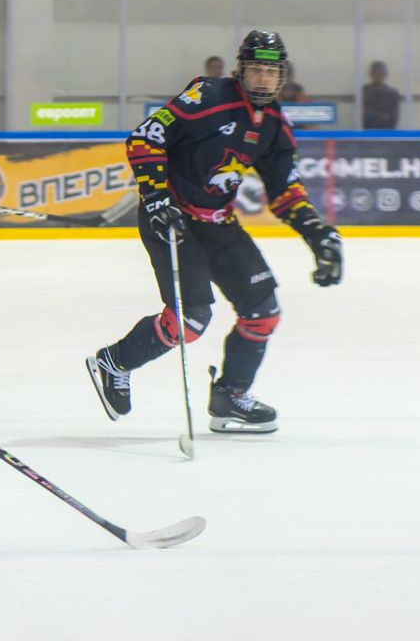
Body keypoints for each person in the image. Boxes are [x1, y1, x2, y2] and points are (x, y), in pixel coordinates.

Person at [85, 30, 343, 434]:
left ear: (282, 76)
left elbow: (285, 190)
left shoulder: (274, 124)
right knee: (189, 320)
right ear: (241, 70)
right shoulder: (208, 96)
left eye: (271, 72)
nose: (263, 79)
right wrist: (156, 197)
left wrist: (318, 234)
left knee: (263, 313)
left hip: (218, 222)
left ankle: (229, 396)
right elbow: (145, 139)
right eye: (256, 69)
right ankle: (114, 362)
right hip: (171, 218)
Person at [362, 60, 401, 130]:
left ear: (386, 74)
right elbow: (365, 114)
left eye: (382, 72)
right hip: (369, 130)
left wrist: (379, 116)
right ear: (371, 74)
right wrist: (381, 115)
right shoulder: (365, 91)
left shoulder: (393, 92)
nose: (379, 75)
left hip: (387, 131)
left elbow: (393, 116)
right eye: (376, 72)